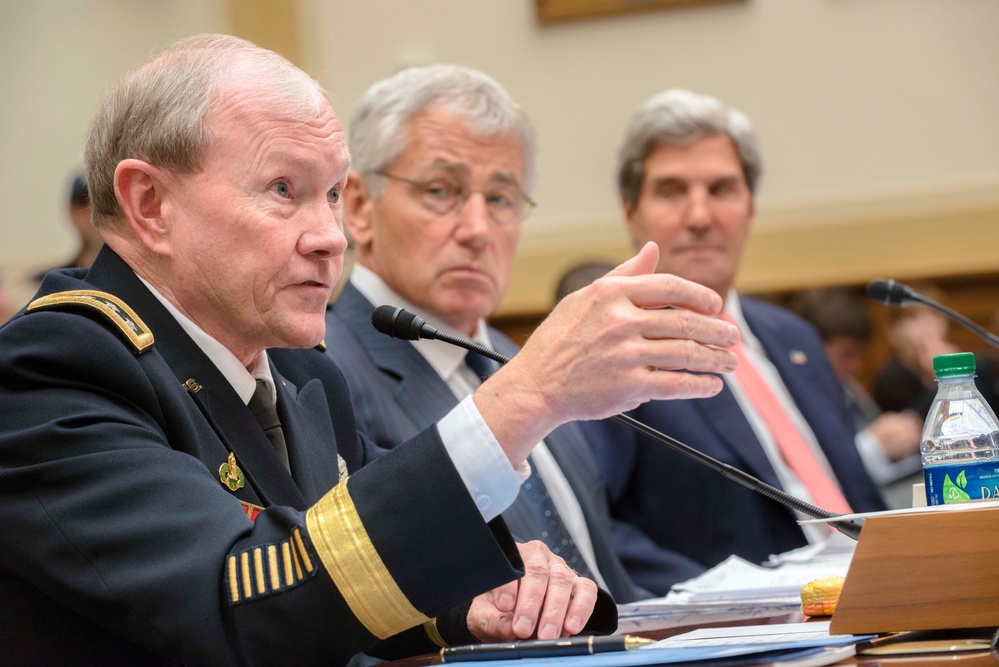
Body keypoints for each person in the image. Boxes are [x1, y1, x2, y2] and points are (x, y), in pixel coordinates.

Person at [0, 36, 739, 665]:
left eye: (330, 195)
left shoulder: (302, 370)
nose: (330, 236)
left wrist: (469, 600)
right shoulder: (56, 365)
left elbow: (333, 598)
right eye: (283, 189)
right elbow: (241, 603)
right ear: (150, 205)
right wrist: (523, 398)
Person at [326, 65, 704, 605]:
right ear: (359, 207)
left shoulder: (519, 358)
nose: (478, 230)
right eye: (441, 190)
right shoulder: (320, 372)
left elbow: (610, 588)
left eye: (502, 199)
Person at [585, 89, 886, 596]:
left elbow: (860, 495)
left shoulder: (794, 337)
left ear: (749, 207)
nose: (700, 216)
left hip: (882, 602)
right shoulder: (612, 348)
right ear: (631, 212)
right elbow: (594, 526)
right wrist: (732, 602)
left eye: (721, 189)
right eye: (672, 190)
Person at [790, 287, 923, 507]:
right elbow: (808, 475)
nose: (857, 366)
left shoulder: (848, 388)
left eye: (860, 355)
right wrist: (874, 446)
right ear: (808, 347)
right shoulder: (789, 394)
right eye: (846, 355)